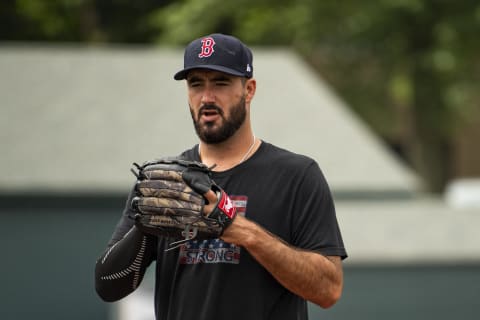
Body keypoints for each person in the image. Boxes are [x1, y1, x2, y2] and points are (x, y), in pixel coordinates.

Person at [95, 33, 347, 320]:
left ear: (249, 89)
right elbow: (108, 286)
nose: (207, 97)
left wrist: (245, 233)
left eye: (221, 82)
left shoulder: (296, 176)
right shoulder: (163, 184)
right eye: (196, 84)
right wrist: (144, 228)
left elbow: (328, 290)